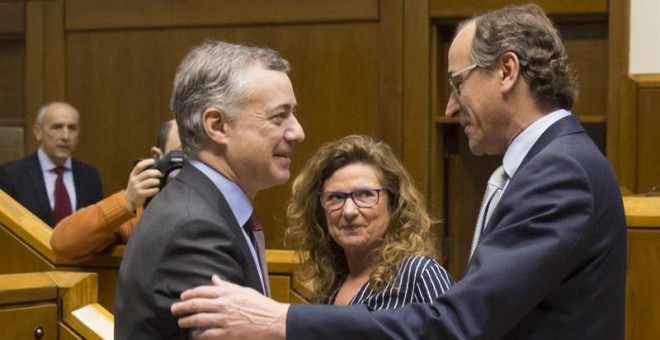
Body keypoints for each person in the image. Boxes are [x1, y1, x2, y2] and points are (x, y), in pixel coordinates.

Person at [170, 4, 627, 339]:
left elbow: (459, 322)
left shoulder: (559, 172)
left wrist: (280, 320)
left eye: (456, 82)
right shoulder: (551, 164)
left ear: (507, 70)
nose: (450, 106)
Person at [114, 40, 305, 339]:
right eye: (279, 116)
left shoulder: (201, 207)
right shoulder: (193, 228)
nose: (298, 132)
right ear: (217, 126)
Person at [285, 134, 453, 307]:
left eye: (365, 194)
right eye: (335, 197)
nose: (349, 211)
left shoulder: (419, 274)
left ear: (393, 203)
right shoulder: (331, 283)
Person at [49, 119, 181, 261]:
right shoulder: (140, 216)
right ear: (157, 158)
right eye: (184, 157)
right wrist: (127, 202)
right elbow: (62, 243)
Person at [0, 102, 103, 227]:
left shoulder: (89, 176)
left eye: (72, 128)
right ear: (38, 132)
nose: (65, 136)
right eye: (57, 127)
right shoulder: (12, 175)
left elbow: (99, 226)